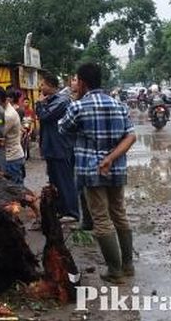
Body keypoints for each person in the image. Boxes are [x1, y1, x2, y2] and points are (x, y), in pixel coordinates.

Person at [59, 63, 137, 283]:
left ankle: (115, 270)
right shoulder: (119, 105)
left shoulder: (78, 107)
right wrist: (111, 158)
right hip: (116, 168)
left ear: (82, 82)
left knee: (101, 218)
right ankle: (128, 265)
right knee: (119, 213)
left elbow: (62, 128)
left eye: (76, 81)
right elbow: (131, 137)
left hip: (91, 169)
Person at [35, 71, 78, 219]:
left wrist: (40, 103)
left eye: (42, 84)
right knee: (55, 181)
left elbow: (44, 116)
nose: (40, 87)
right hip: (51, 147)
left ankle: (71, 212)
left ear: (51, 85)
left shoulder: (61, 101)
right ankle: (61, 209)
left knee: (64, 180)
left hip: (60, 147)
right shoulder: (51, 100)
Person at [0, 88, 25, 185]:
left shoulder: (9, 115)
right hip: (9, 157)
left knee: (15, 192)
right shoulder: (4, 111)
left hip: (11, 158)